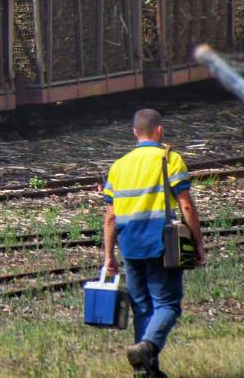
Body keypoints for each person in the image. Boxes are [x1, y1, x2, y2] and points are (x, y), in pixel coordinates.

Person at [102, 109, 205, 377]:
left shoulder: (118, 166)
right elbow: (186, 206)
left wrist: (109, 256)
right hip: (162, 243)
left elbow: (111, 216)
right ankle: (148, 347)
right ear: (160, 130)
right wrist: (198, 243)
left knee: (141, 306)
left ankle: (146, 371)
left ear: (135, 132)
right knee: (168, 304)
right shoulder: (170, 159)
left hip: (130, 246)